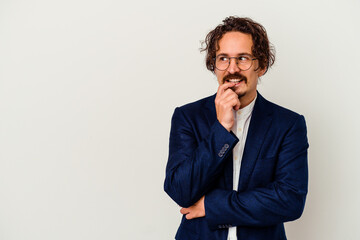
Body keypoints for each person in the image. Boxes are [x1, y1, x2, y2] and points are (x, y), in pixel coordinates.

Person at [164, 16, 309, 240]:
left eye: (242, 58)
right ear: (214, 65)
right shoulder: (187, 117)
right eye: (223, 59)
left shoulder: (288, 124)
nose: (232, 69)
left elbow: (290, 200)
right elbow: (181, 191)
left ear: (260, 66)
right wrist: (222, 129)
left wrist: (212, 205)